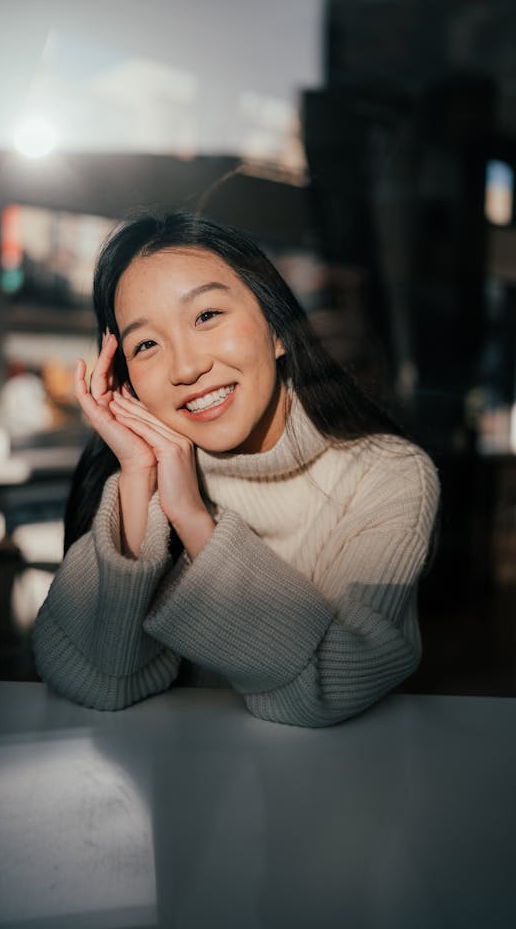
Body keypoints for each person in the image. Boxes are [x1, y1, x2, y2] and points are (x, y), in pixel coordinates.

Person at [32, 210, 440, 727]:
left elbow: (325, 691)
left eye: (206, 316)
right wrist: (138, 481)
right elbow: (98, 682)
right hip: (178, 794)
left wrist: (195, 521)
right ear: (126, 379)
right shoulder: (146, 482)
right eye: (146, 345)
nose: (185, 368)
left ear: (278, 329)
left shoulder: (386, 476)